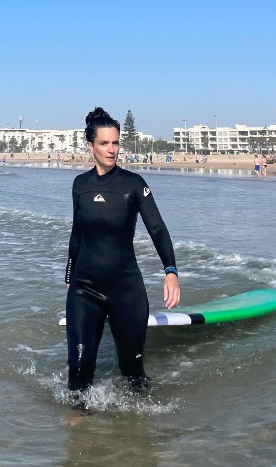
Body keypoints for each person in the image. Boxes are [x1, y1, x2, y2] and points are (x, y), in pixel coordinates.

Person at [65, 107, 180, 394]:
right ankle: (79, 430)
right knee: (79, 370)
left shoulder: (133, 184)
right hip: (84, 289)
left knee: (132, 372)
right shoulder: (80, 185)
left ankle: (138, 433)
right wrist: (69, 275)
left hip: (125, 290)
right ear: (90, 146)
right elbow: (77, 233)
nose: (112, 149)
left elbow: (158, 229)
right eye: (104, 143)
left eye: (115, 142)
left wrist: (171, 272)